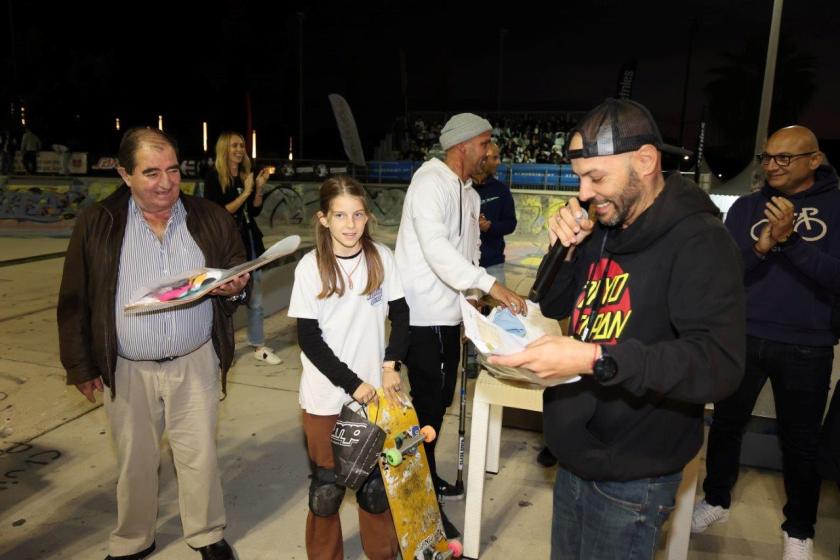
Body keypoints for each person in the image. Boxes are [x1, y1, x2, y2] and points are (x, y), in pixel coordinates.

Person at [490, 98, 746, 560]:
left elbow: (719, 365)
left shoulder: (700, 241)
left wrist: (595, 358)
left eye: (596, 177)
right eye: (579, 178)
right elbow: (555, 302)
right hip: (575, 453)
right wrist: (563, 251)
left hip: (636, 471)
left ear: (645, 162)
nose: (584, 193)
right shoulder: (608, 222)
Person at [57, 127, 247, 560]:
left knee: (199, 456)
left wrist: (235, 286)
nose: (165, 183)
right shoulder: (98, 222)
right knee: (134, 462)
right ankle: (133, 539)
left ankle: (206, 534)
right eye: (150, 172)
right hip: (128, 366)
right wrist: (81, 366)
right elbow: (74, 299)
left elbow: (237, 269)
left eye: (173, 170)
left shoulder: (208, 216)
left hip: (194, 359)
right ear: (125, 174)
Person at [691, 125, 840, 560]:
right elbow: (726, 273)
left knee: (801, 442)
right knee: (725, 426)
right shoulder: (744, 208)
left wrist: (791, 241)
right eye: (767, 157)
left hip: (806, 345)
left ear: (815, 160)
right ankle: (716, 500)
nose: (772, 166)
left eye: (784, 158)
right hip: (743, 335)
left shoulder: (837, 207)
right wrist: (761, 247)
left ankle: (799, 530)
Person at [395, 113, 527, 528]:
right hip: (421, 316)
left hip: (450, 318)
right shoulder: (428, 183)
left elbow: (467, 256)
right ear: (463, 146)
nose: (490, 152)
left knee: (438, 406)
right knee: (427, 408)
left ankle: (426, 478)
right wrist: (491, 285)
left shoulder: (469, 193)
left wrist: (475, 307)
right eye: (485, 144)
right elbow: (436, 250)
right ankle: (420, 502)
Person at [287, 176, 407, 560]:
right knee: (327, 489)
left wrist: (390, 365)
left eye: (357, 215)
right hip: (327, 396)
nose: (350, 225)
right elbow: (309, 338)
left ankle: (383, 553)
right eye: (340, 215)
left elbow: (402, 316)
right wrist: (352, 383)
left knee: (373, 486)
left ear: (367, 217)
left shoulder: (381, 258)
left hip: (375, 394)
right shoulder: (310, 267)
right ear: (324, 219)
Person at [204, 131, 282, 365]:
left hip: (250, 243)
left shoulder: (244, 176)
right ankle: (218, 346)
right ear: (224, 149)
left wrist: (257, 189)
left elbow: (254, 210)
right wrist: (247, 191)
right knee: (223, 300)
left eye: (242, 146)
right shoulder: (214, 178)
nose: (240, 150)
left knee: (255, 298)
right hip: (227, 247)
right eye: (235, 146)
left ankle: (258, 345)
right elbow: (219, 212)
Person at [472, 142, 517, 285]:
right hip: (465, 264)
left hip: (493, 264)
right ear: (482, 159)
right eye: (495, 158)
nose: (499, 162)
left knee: (498, 307)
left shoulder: (501, 190)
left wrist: (490, 227)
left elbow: (511, 224)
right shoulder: (462, 188)